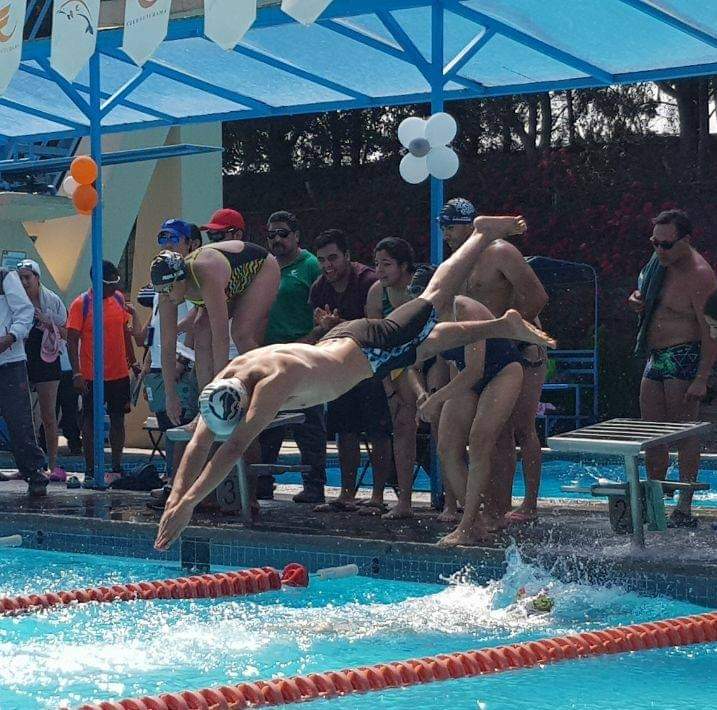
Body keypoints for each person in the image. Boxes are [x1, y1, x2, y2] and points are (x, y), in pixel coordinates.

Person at [154, 215, 556, 550]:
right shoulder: (228, 378)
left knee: (433, 298)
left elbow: (233, 447)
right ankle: (500, 325)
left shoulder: (273, 382)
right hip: (345, 345)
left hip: (368, 347)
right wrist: (176, 498)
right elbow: (200, 443)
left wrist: (189, 504)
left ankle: (481, 232)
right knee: (421, 345)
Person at [439, 197, 549, 528]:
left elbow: (537, 297)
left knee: (521, 427)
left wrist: (510, 333)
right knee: (489, 434)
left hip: (520, 347)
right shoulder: (457, 262)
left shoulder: (501, 252)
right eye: (442, 227)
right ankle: (493, 509)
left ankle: (529, 503)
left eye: (451, 226)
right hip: (483, 351)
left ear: (470, 225)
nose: (445, 233)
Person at [628, 209, 717, 527]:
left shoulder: (700, 275)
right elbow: (646, 294)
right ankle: (656, 500)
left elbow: (712, 330)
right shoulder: (659, 264)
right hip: (656, 356)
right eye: (655, 242)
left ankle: (684, 506)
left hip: (684, 356)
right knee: (652, 432)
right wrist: (637, 300)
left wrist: (702, 377)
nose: (659, 249)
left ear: (686, 240)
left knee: (684, 432)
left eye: (666, 244)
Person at [419, 296, 524, 546]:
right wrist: (426, 394)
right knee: (446, 448)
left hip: (502, 371)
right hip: (466, 377)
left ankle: (466, 526)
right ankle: (475, 522)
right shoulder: (423, 320)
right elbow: (429, 363)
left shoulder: (464, 310)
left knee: (479, 442)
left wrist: (436, 399)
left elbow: (475, 370)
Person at [151, 236, 280, 424]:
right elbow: (167, 344)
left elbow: (221, 338)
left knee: (240, 333)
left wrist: (221, 391)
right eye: (160, 290)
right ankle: (205, 409)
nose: (165, 295)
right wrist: (170, 395)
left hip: (259, 269)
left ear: (181, 280)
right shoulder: (167, 291)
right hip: (228, 281)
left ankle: (271, 391)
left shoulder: (204, 274)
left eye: (168, 289)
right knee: (201, 330)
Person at [308, 229, 394, 512]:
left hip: (372, 366)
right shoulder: (320, 288)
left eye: (333, 258)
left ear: (347, 256)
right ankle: (346, 494)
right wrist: (323, 329)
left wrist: (339, 325)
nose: (327, 265)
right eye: (322, 260)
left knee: (378, 431)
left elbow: (377, 329)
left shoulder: (368, 282)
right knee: (344, 430)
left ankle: (378, 496)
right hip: (341, 368)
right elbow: (320, 332)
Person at [258, 210, 327, 504]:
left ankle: (314, 485)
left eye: (283, 233)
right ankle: (262, 482)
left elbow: (325, 312)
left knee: (308, 423)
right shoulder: (266, 267)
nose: (277, 239)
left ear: (297, 236)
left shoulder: (310, 266)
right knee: (265, 422)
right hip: (270, 357)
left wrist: (310, 341)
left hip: (303, 355)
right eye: (271, 234)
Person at [134, 220, 202, 486]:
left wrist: (183, 360)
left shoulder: (192, 276)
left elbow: (198, 319)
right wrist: (149, 360)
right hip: (160, 363)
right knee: (168, 422)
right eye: (163, 239)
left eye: (174, 238)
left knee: (182, 422)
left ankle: (178, 480)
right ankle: (172, 476)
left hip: (181, 363)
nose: (167, 245)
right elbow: (158, 323)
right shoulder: (163, 273)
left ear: (191, 243)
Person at [365, 237, 421, 519]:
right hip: (398, 364)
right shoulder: (378, 293)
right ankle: (405, 501)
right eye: (376, 264)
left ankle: (451, 502)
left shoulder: (420, 289)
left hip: (430, 358)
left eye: (386, 264)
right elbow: (376, 347)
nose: (379, 271)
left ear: (404, 265)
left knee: (444, 427)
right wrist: (389, 389)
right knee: (402, 425)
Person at [66, 260, 133, 488]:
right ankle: (90, 468)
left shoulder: (119, 299)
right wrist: (76, 373)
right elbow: (71, 340)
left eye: (116, 282)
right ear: (97, 282)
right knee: (89, 421)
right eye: (110, 283)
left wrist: (132, 360)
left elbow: (124, 331)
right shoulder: (81, 304)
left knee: (118, 419)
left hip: (119, 372)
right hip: (91, 375)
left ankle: (116, 466)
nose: (115, 287)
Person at [16, 259, 68, 481]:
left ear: (37, 278)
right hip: (22, 358)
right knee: (22, 416)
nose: (24, 282)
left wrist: (48, 322)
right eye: (20, 278)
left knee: (48, 415)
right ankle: (28, 465)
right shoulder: (15, 301)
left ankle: (53, 464)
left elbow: (67, 333)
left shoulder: (52, 301)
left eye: (27, 277)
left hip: (46, 359)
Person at [0, 265, 48, 496]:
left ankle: (34, 471)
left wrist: (10, 337)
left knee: (19, 420)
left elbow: (25, 311)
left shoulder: (4, 276)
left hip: (10, 362)